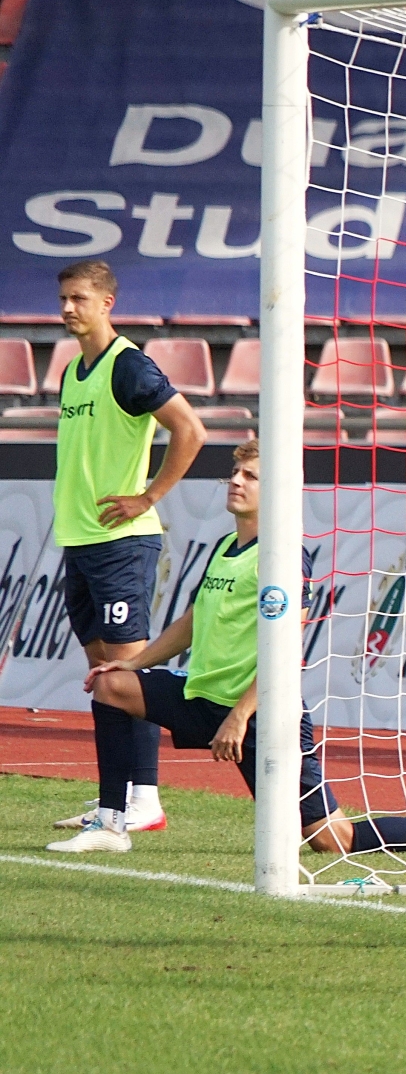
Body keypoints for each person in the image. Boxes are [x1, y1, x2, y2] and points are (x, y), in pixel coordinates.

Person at [50, 440, 406, 855]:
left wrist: (240, 716)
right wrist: (131, 663)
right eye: (235, 473)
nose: (236, 481)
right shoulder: (225, 547)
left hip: (261, 713)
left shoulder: (284, 555)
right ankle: (111, 823)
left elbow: (288, 647)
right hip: (203, 696)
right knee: (111, 685)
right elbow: (192, 622)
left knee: (330, 839)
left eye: (251, 476)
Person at [49, 259, 206, 836]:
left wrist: (148, 496)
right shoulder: (73, 371)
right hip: (79, 540)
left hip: (120, 543)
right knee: (103, 674)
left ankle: (144, 798)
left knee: (126, 673)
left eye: (79, 298)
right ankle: (113, 800)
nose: (69, 308)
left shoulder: (128, 365)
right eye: (64, 299)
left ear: (107, 303)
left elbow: (190, 429)